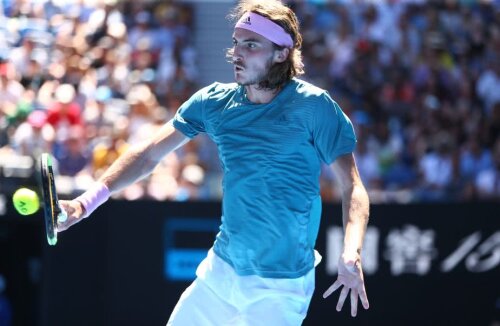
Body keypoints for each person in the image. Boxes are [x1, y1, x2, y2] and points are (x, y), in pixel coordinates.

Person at [57, 0, 370, 324]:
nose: (237, 53)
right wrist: (85, 203)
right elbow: (149, 153)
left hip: (281, 288)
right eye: (236, 43)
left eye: (251, 45)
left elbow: (353, 187)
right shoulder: (214, 102)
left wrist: (352, 250)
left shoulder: (315, 107)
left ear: (281, 53)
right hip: (220, 273)